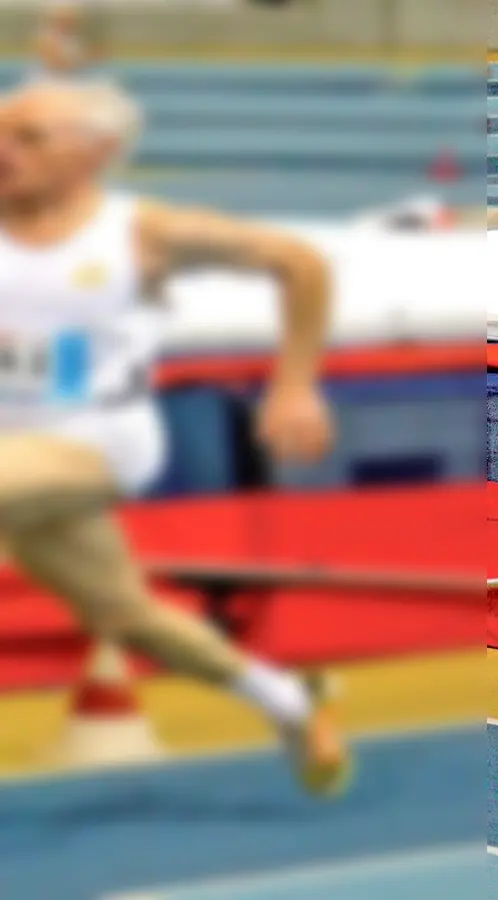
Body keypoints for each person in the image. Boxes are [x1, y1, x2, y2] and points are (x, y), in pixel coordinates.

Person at [0, 80, 351, 796]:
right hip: (18, 450)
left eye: (28, 137)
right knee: (126, 615)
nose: (4, 150)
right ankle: (290, 702)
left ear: (95, 152)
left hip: (98, 438)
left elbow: (300, 263)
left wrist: (294, 385)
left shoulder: (137, 232)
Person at [28, 1, 104, 84]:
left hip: (71, 77)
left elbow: (80, 60)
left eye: (71, 19)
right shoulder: (47, 37)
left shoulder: (73, 39)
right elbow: (54, 63)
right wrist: (83, 60)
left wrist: (89, 57)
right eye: (65, 19)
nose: (69, 22)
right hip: (51, 79)